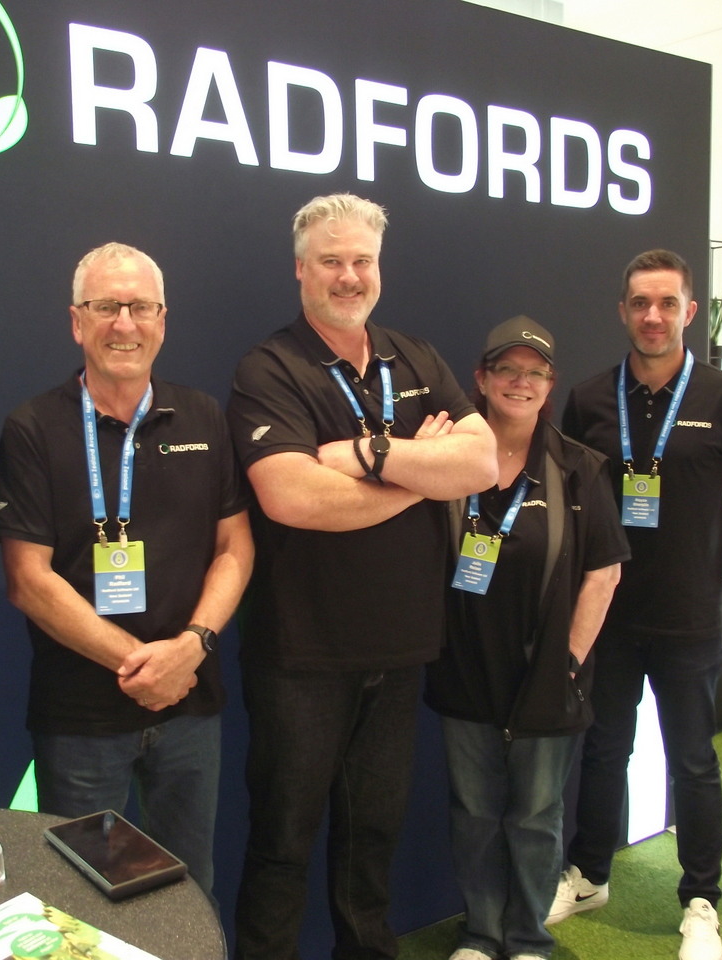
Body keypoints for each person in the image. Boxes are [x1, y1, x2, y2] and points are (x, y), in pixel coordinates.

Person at [227, 193, 498, 960]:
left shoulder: (414, 357)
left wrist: (371, 456)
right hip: (302, 660)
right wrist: (423, 472)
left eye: (362, 261)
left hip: (400, 649)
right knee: (282, 843)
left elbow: (481, 461)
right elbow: (293, 497)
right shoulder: (268, 369)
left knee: (371, 842)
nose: (349, 276)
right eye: (331, 262)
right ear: (300, 270)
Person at [0, 242, 252, 898]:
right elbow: (27, 578)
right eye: (106, 306)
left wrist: (191, 648)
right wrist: (142, 665)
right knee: (80, 894)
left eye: (140, 307)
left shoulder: (202, 416)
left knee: (188, 888)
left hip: (191, 702)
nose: (124, 323)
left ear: (163, 320)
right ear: (76, 321)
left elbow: (235, 548)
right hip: (81, 717)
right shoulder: (33, 427)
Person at [552, 250, 722, 960]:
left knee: (693, 759)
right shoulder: (589, 398)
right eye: (641, 303)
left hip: (688, 618)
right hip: (610, 615)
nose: (653, 316)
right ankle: (590, 874)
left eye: (667, 303)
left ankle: (701, 901)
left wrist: (710, 570)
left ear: (689, 312)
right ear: (623, 311)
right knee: (603, 748)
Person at [425, 315, 629, 960]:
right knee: (474, 813)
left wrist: (567, 661)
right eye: (507, 370)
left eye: (534, 373)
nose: (521, 382)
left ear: (550, 384)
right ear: (481, 379)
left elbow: (604, 573)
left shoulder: (578, 467)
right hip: (465, 669)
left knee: (537, 815)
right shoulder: (448, 459)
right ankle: (482, 934)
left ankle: (528, 938)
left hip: (548, 675)